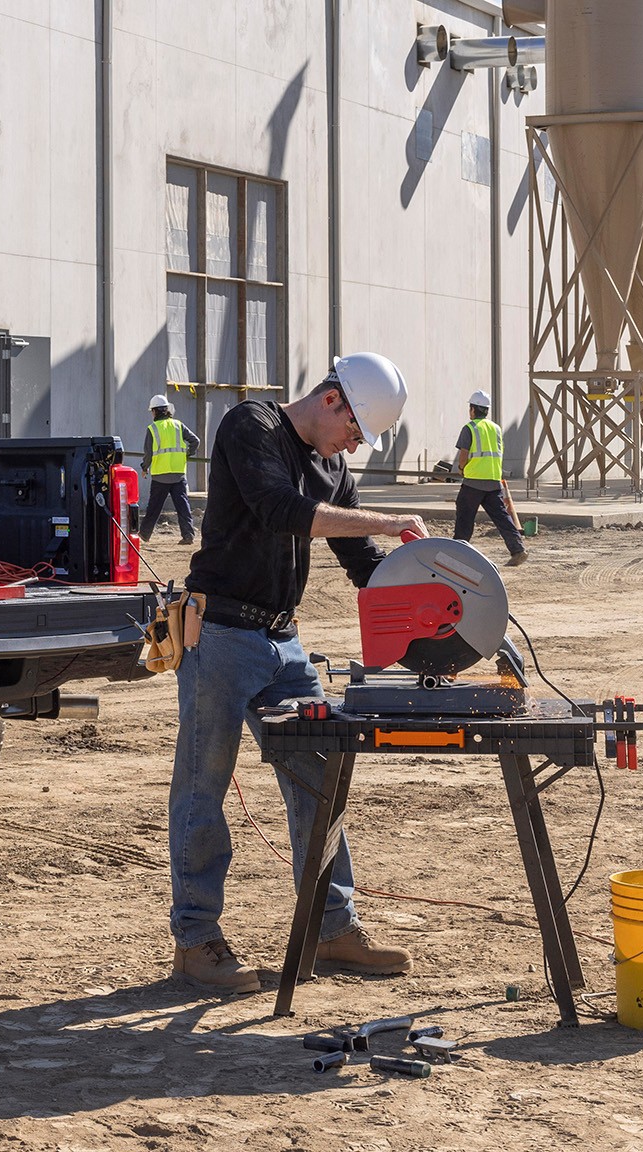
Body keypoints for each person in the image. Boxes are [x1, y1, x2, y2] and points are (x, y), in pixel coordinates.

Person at [169, 353, 426, 993]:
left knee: (320, 778)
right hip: (220, 634)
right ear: (332, 398)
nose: (353, 447)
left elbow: (363, 564)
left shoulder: (334, 468)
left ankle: (332, 930)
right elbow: (281, 509)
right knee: (205, 786)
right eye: (355, 432)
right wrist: (392, 519)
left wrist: (432, 611)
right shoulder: (249, 426)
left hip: (283, 642)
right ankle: (196, 942)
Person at [453, 389, 528, 566]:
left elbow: (464, 455)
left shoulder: (469, 428)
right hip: (493, 482)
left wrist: (461, 468)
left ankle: (456, 554)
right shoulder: (496, 429)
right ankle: (517, 550)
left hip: (473, 483)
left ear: (473, 409)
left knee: (464, 518)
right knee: (502, 518)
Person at [140, 395, 200, 544]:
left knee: (154, 507)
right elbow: (195, 441)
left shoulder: (152, 429)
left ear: (154, 411)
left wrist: (144, 467)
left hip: (160, 475)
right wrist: (187, 453)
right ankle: (188, 535)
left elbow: (148, 453)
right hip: (179, 473)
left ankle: (145, 534)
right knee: (182, 506)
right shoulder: (178, 425)